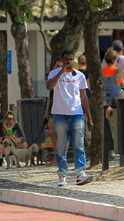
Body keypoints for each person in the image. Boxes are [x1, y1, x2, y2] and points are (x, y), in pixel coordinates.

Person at [47, 50, 93, 186]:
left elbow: (84, 97)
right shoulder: (54, 73)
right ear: (62, 60)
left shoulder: (79, 75)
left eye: (70, 59)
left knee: (79, 144)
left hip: (77, 113)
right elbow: (49, 86)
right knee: (61, 146)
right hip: (60, 114)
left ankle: (80, 173)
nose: (68, 62)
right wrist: (62, 71)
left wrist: (88, 116)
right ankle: (62, 175)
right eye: (66, 59)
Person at [43, 58, 64, 166]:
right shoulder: (52, 79)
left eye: (61, 66)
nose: (58, 68)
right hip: (52, 108)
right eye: (57, 65)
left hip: (61, 109)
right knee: (52, 133)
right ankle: (57, 156)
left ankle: (61, 157)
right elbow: (49, 96)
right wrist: (46, 111)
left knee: (61, 134)